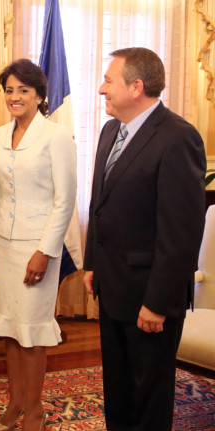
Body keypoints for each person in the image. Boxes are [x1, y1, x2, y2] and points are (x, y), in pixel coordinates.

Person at [83, 47, 206, 431]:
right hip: (112, 286)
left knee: (149, 395)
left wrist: (157, 303)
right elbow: (99, 203)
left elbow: (181, 233)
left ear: (136, 87)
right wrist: (92, 264)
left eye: (108, 81)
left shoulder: (178, 138)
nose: (101, 89)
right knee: (118, 387)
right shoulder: (110, 131)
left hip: (149, 296)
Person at [0, 59, 76, 431]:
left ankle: (34, 409)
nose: (14, 97)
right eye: (9, 90)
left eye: (23, 90)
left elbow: (64, 201)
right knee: (10, 328)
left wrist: (44, 252)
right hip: (3, 246)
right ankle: (16, 401)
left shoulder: (56, 136)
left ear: (38, 95)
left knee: (32, 333)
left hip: (37, 249)